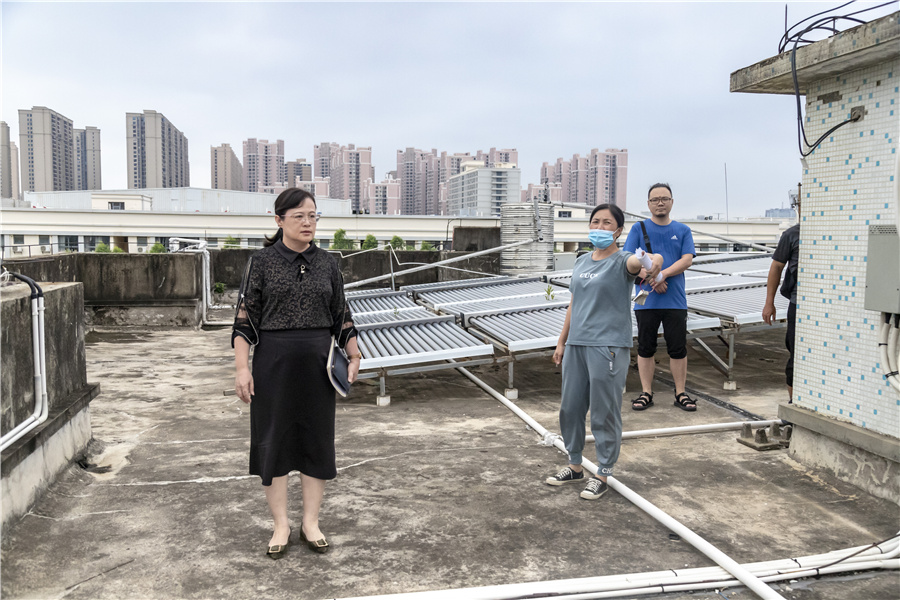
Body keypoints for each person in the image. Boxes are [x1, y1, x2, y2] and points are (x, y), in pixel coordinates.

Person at [232, 187, 361, 559]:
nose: (308, 223)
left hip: (318, 367)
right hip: (273, 365)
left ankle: (310, 522)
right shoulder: (261, 262)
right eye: (299, 216)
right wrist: (242, 368)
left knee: (315, 442)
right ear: (279, 220)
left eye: (313, 216)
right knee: (273, 441)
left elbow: (341, 315)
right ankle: (281, 525)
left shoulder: (328, 263)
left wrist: (354, 354)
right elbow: (244, 321)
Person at [545, 204, 663, 500]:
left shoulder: (623, 261)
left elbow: (645, 263)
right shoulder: (582, 261)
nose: (599, 227)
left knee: (604, 410)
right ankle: (574, 465)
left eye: (606, 223)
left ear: (618, 231)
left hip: (608, 346)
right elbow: (574, 303)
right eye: (595, 221)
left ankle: (603, 472)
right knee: (570, 408)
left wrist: (654, 260)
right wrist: (562, 341)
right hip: (577, 344)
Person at [623, 183, 697, 412]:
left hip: (675, 301)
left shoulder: (682, 230)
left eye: (664, 198)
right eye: (655, 199)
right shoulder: (638, 229)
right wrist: (653, 278)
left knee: (678, 348)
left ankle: (680, 392)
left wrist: (662, 274)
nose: (660, 203)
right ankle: (646, 392)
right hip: (647, 302)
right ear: (648, 204)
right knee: (646, 348)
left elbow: (687, 260)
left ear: (672, 202)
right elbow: (628, 260)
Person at [763, 202, 800, 403]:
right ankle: (793, 402)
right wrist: (769, 302)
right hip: (797, 304)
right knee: (795, 353)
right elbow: (776, 267)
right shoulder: (792, 235)